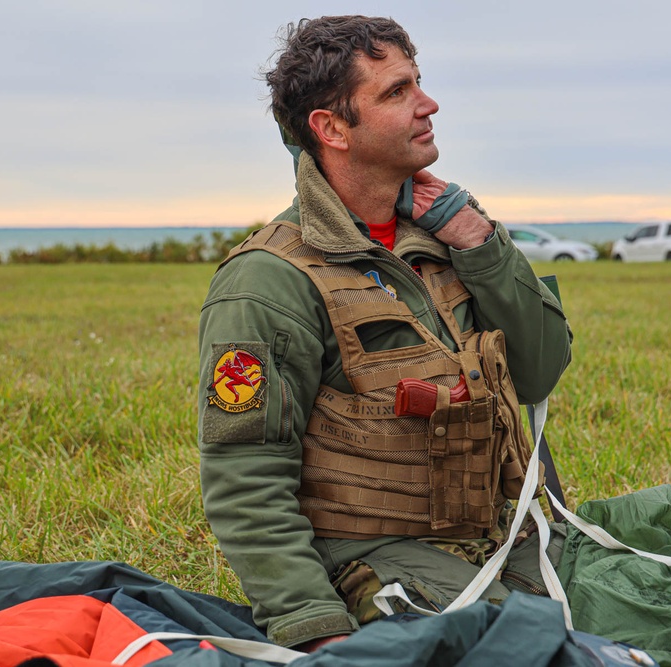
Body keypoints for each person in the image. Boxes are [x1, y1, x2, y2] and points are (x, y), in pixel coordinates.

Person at [197, 15, 572, 652]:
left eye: (418, 83)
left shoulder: (450, 240)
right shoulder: (268, 282)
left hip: (511, 535)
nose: (429, 104)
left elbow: (539, 370)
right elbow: (245, 478)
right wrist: (313, 629)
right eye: (396, 92)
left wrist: (483, 245)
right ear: (332, 128)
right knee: (540, 650)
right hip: (378, 555)